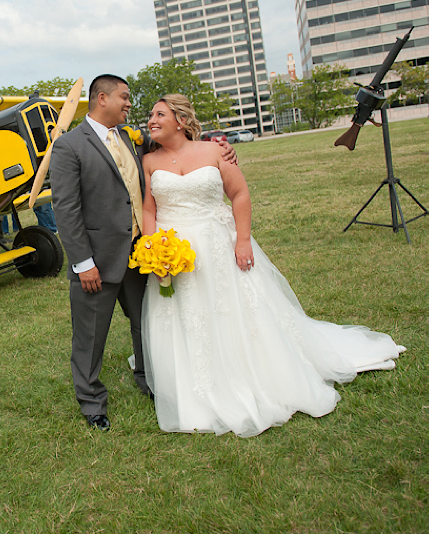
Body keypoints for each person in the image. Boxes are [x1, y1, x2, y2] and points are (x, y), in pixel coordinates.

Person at [139, 94, 406, 437]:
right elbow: (149, 208)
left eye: (159, 114)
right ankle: (197, 385)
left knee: (234, 312)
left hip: (217, 244)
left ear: (181, 120)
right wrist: (153, 247)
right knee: (185, 316)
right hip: (170, 250)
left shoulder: (214, 151)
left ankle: (252, 372)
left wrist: (243, 239)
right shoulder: (148, 160)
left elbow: (239, 194)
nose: (151, 120)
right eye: (150, 115)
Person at [51, 75, 235, 430]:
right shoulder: (69, 146)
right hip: (97, 261)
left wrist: (223, 148)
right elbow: (66, 209)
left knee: (146, 324)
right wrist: (83, 262)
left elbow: (178, 143)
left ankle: (150, 381)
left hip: (139, 254)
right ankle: (92, 404)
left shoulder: (130, 137)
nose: (130, 104)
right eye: (125, 97)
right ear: (101, 98)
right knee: (90, 335)